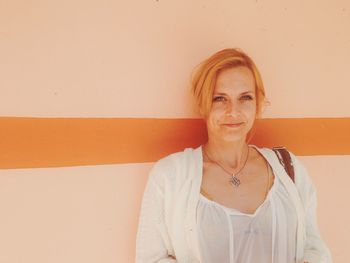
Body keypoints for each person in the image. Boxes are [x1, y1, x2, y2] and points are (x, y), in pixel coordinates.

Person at [135, 48, 332, 263]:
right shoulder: (169, 176)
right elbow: (151, 258)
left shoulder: (288, 167)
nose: (233, 111)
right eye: (220, 98)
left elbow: (314, 247)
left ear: (258, 103)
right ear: (202, 104)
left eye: (245, 97)